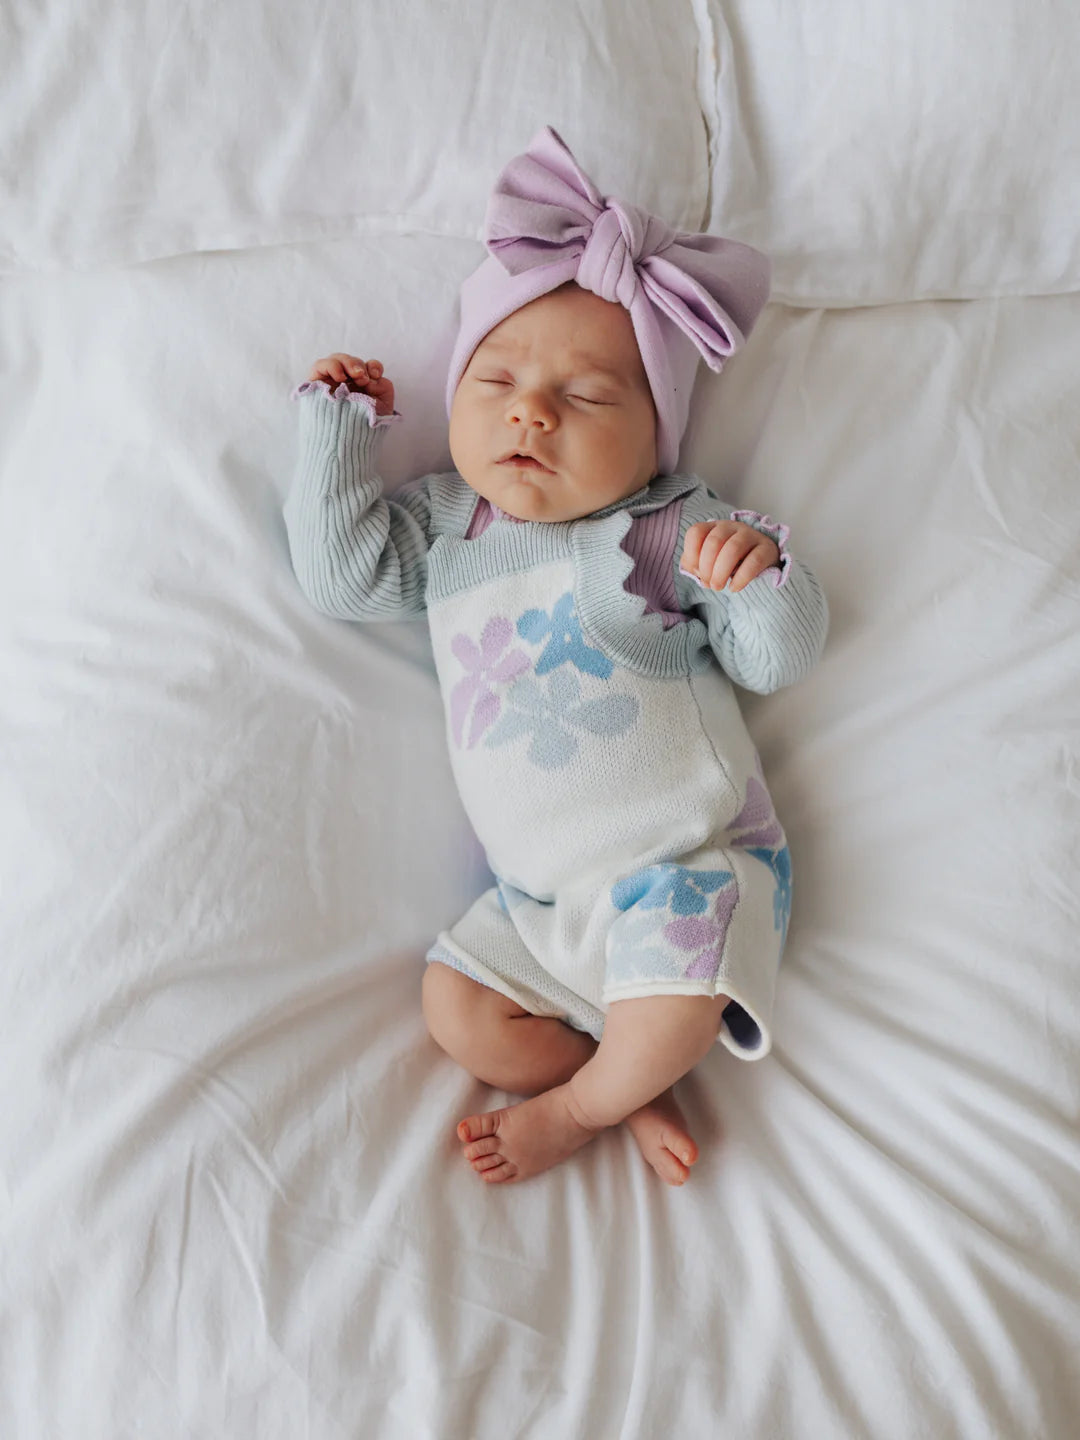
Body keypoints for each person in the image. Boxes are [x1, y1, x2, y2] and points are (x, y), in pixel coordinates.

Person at [283, 127, 828, 1186]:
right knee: (458, 1011)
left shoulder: (665, 526)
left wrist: (758, 574)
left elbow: (777, 660)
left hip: (688, 867)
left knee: (675, 984)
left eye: (585, 398)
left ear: (654, 438)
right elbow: (341, 578)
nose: (532, 409)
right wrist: (336, 429)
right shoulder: (446, 531)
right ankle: (632, 1081)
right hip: (542, 908)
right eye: (497, 380)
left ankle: (585, 1106)